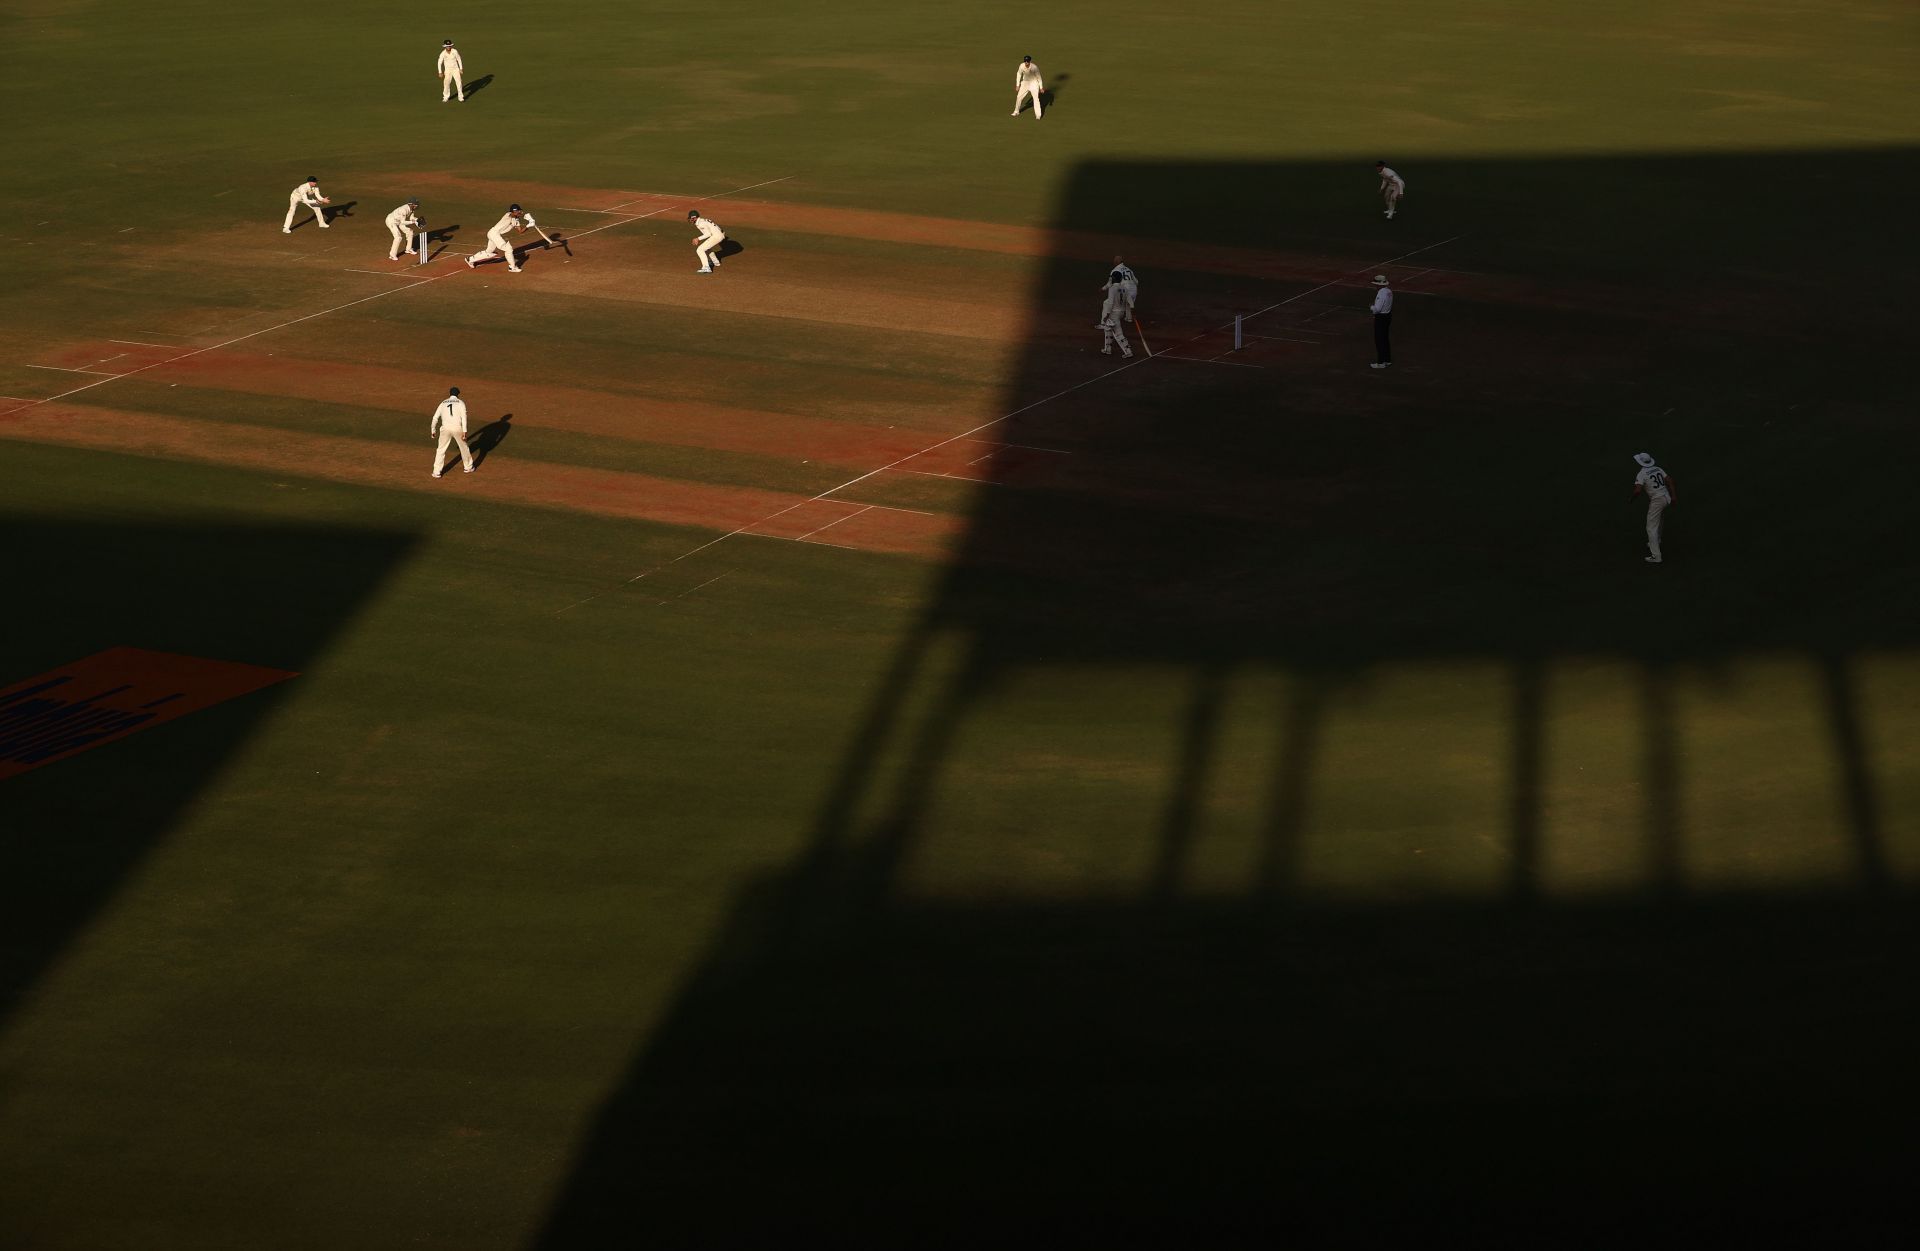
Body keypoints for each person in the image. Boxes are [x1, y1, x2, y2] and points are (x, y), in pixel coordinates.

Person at [466, 204, 553, 273]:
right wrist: (526, 217)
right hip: (494, 234)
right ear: (513, 211)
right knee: (508, 249)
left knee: (489, 252)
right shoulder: (508, 215)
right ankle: (512, 267)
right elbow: (513, 215)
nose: (519, 212)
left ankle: (470, 259)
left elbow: (520, 231)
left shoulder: (516, 220)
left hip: (493, 234)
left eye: (519, 211)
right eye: (517, 211)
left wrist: (528, 225)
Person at [1631, 452, 1676, 563]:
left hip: (1658, 501)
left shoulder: (1641, 473)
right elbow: (1669, 480)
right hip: (1667, 498)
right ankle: (1657, 540)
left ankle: (1656, 556)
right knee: (1660, 520)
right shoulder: (1658, 469)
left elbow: (1637, 490)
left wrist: (1632, 498)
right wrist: (1674, 496)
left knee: (1651, 527)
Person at [431, 387, 475, 477]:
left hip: (445, 428)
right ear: (458, 394)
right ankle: (468, 467)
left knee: (440, 450)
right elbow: (464, 418)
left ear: (450, 394)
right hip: (457, 428)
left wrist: (433, 429)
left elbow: (435, 417)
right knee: (464, 448)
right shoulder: (461, 403)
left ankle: (436, 472)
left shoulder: (443, 403)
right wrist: (465, 431)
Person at [1368, 274, 1393, 368]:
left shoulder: (1381, 293)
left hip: (1381, 318)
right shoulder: (1389, 291)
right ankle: (1387, 360)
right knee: (1385, 339)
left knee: (1379, 340)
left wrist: (1371, 307)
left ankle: (1381, 362)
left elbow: (1377, 309)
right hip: (1387, 316)